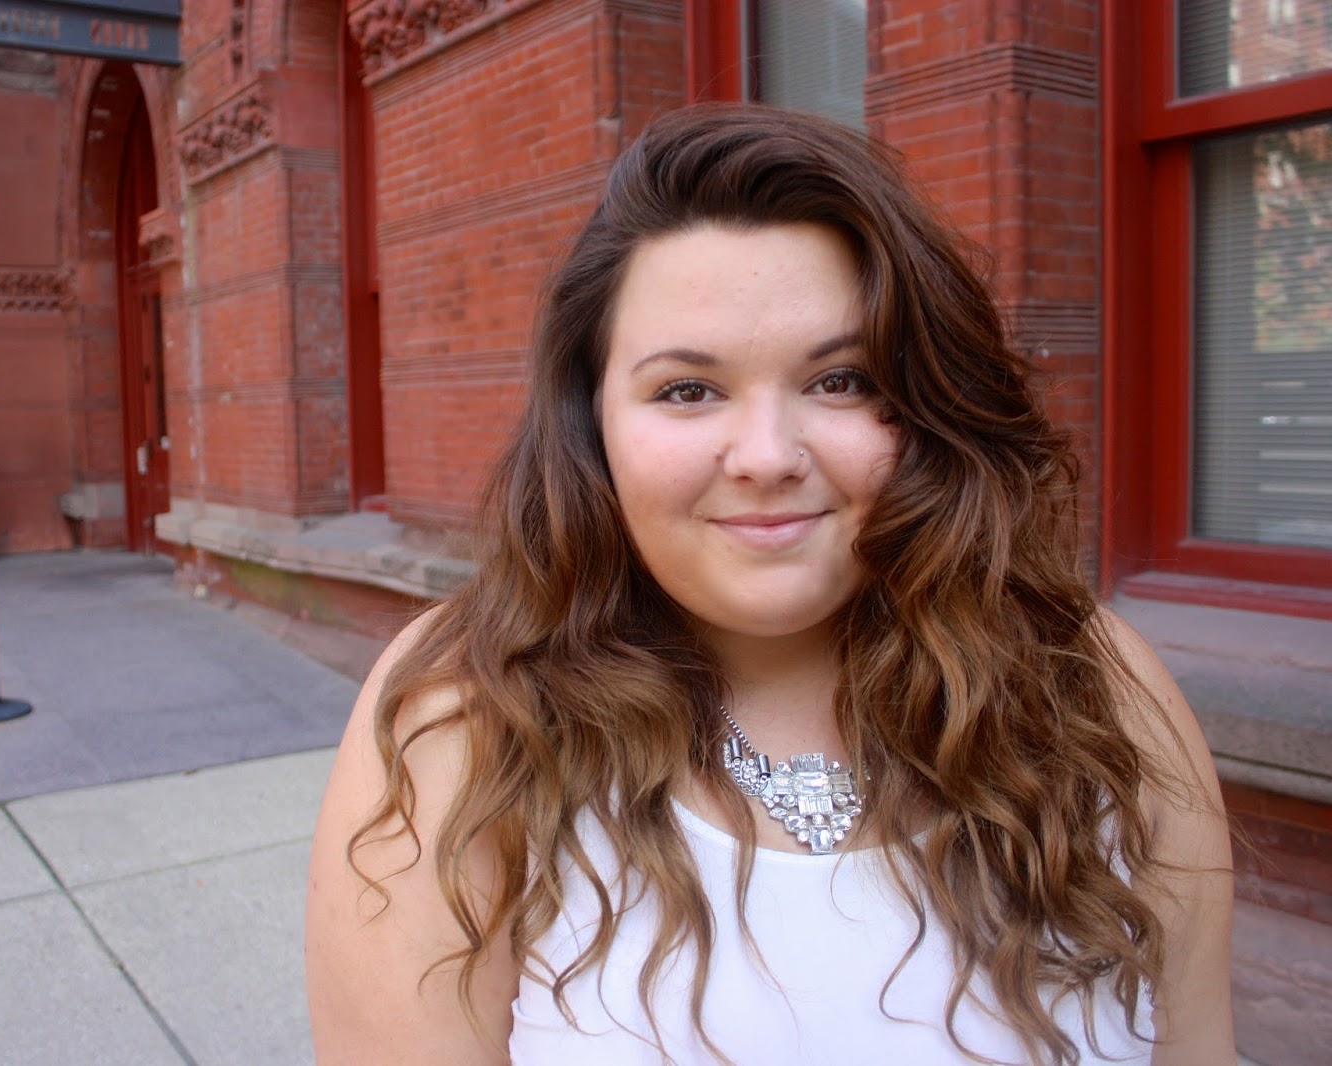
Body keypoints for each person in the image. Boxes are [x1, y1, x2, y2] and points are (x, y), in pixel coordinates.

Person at [305, 103, 1234, 1065]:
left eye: (841, 380)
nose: (766, 456)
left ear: (926, 406)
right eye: (687, 390)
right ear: (593, 428)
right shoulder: (464, 713)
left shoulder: (1094, 684)